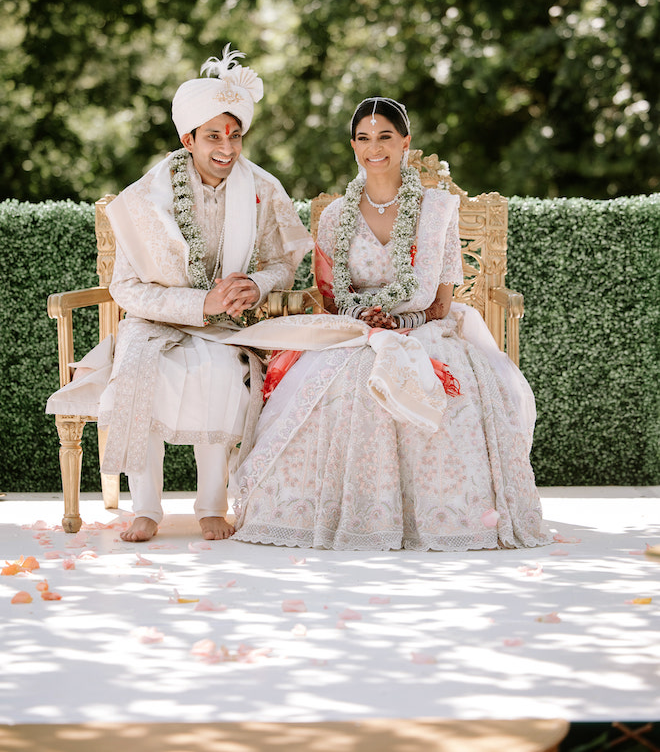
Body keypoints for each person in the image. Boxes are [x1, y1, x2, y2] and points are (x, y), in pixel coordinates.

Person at [222, 96, 551, 551]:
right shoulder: (336, 216)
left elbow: (440, 303)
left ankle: (435, 517)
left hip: (426, 329)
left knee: (438, 383)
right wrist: (367, 318)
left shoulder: (437, 211)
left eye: (384, 137)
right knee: (347, 378)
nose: (373, 148)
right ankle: (336, 512)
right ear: (353, 145)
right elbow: (334, 295)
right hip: (356, 331)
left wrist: (401, 321)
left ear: (405, 142)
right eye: (363, 138)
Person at [46, 46, 312, 543]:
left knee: (223, 377)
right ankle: (145, 508)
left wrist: (257, 285)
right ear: (187, 138)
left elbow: (284, 262)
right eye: (213, 136)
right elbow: (125, 287)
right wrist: (198, 303)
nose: (227, 148)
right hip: (156, 324)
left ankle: (212, 504)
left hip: (226, 326)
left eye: (234, 136)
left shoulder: (262, 189)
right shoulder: (147, 199)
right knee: (143, 375)